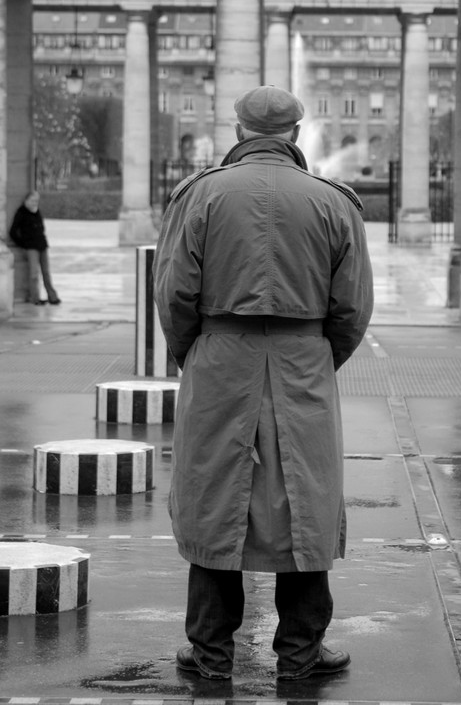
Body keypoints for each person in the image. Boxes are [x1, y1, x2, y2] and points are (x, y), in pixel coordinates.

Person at [153, 85, 374, 682]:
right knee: (305, 500)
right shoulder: (333, 202)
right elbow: (352, 308)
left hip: (220, 354)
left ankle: (211, 654)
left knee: (213, 501)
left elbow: (174, 294)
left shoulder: (198, 197)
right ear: (296, 134)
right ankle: (300, 654)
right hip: (304, 357)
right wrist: (318, 356)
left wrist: (195, 354)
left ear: (239, 130)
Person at [9, 190, 61, 306]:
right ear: (26, 200)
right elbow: (12, 232)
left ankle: (52, 296)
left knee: (46, 272)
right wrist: (23, 244)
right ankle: (35, 298)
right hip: (31, 247)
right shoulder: (21, 212)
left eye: (36, 201)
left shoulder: (37, 212)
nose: (34, 203)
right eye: (32, 200)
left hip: (42, 245)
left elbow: (41, 228)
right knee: (33, 274)